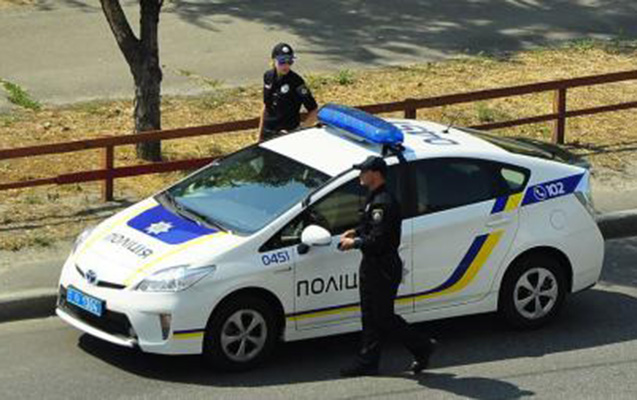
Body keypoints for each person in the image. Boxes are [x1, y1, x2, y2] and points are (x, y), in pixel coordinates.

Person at [338, 155, 436, 377]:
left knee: (383, 317)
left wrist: (355, 243)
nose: (360, 174)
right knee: (370, 316)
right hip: (372, 265)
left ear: (375, 174)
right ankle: (368, 362)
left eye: (363, 170)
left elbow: (379, 240)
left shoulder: (383, 202)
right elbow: (371, 227)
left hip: (382, 266)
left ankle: (422, 346)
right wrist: (357, 231)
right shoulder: (374, 198)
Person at [258, 43, 319, 141]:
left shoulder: (296, 82)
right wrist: (260, 135)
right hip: (268, 131)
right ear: (274, 60)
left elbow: (314, 110)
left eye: (289, 61)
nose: (286, 65)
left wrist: (298, 131)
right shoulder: (268, 76)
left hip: (286, 135)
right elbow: (265, 105)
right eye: (282, 61)